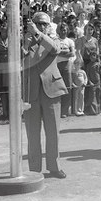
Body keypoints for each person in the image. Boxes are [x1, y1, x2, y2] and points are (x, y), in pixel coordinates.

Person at [22, 12, 68, 179]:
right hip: (31, 92)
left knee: (53, 131)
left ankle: (54, 167)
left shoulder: (51, 39)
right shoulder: (24, 42)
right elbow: (19, 63)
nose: (41, 26)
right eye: (38, 23)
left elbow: (55, 49)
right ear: (31, 24)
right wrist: (26, 47)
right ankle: (34, 169)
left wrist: (37, 34)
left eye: (44, 24)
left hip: (52, 90)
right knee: (32, 133)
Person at [56, 22, 75, 118]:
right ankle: (57, 110)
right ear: (58, 31)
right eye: (62, 30)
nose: (63, 31)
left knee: (67, 87)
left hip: (67, 65)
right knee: (58, 88)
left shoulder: (70, 41)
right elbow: (55, 52)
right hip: (57, 65)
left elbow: (72, 53)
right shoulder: (55, 40)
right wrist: (65, 52)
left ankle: (65, 110)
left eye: (65, 30)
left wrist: (61, 52)